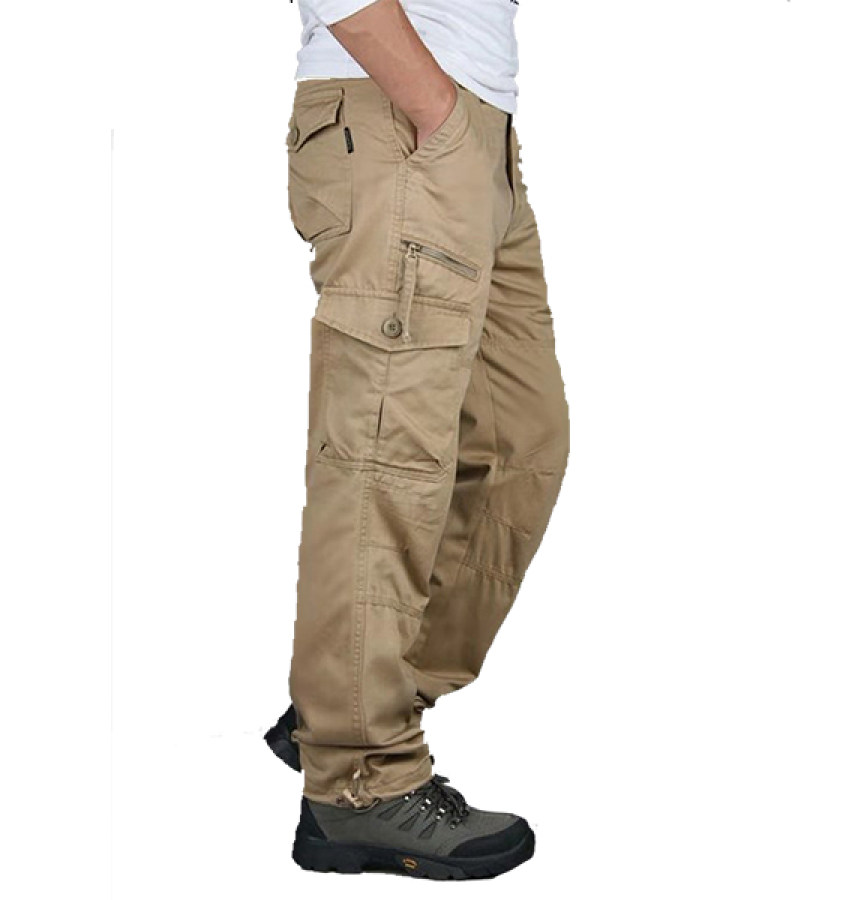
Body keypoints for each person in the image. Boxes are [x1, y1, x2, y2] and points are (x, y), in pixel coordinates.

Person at [272, 0, 570, 879]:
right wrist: (435, 110)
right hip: (405, 115)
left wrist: (461, 125)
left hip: (472, 129)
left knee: (520, 445)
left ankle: (349, 695)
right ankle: (357, 779)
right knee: (383, 466)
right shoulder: (425, 109)